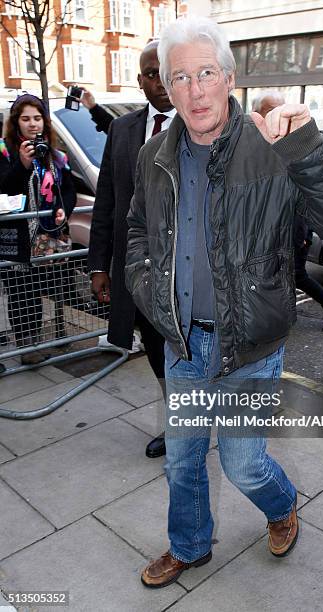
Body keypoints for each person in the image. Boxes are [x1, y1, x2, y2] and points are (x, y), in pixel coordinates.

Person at [125, 17, 323, 588]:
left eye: (205, 72)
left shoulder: (272, 144)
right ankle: (188, 546)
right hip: (183, 340)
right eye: (179, 76)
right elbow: (139, 229)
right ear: (166, 85)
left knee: (242, 463)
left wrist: (306, 147)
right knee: (182, 464)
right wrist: (146, 286)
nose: (194, 89)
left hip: (249, 344)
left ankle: (281, 506)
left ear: (229, 77)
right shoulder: (155, 155)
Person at [87, 41, 176, 458]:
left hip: (184, 269)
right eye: (151, 73)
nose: (160, 80)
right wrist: (98, 265)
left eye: (167, 70)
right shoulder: (122, 130)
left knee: (188, 354)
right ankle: (180, 427)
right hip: (137, 269)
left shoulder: (199, 125)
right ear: (140, 81)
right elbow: (106, 198)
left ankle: (188, 427)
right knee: (157, 352)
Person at [252, 89, 323, 332]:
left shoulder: (293, 144)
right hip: (274, 229)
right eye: (271, 111)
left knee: (296, 274)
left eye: (282, 109)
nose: (279, 116)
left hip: (296, 227)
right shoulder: (252, 144)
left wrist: (304, 234)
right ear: (256, 114)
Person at [0, 94, 76, 365]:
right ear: (15, 123)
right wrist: (21, 165)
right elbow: (4, 189)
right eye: (25, 119)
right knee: (19, 292)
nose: (33, 124)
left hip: (44, 236)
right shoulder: (5, 151)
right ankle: (26, 347)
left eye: (37, 118)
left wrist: (62, 210)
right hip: (15, 237)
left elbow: (67, 190)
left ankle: (34, 340)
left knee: (36, 290)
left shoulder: (54, 154)